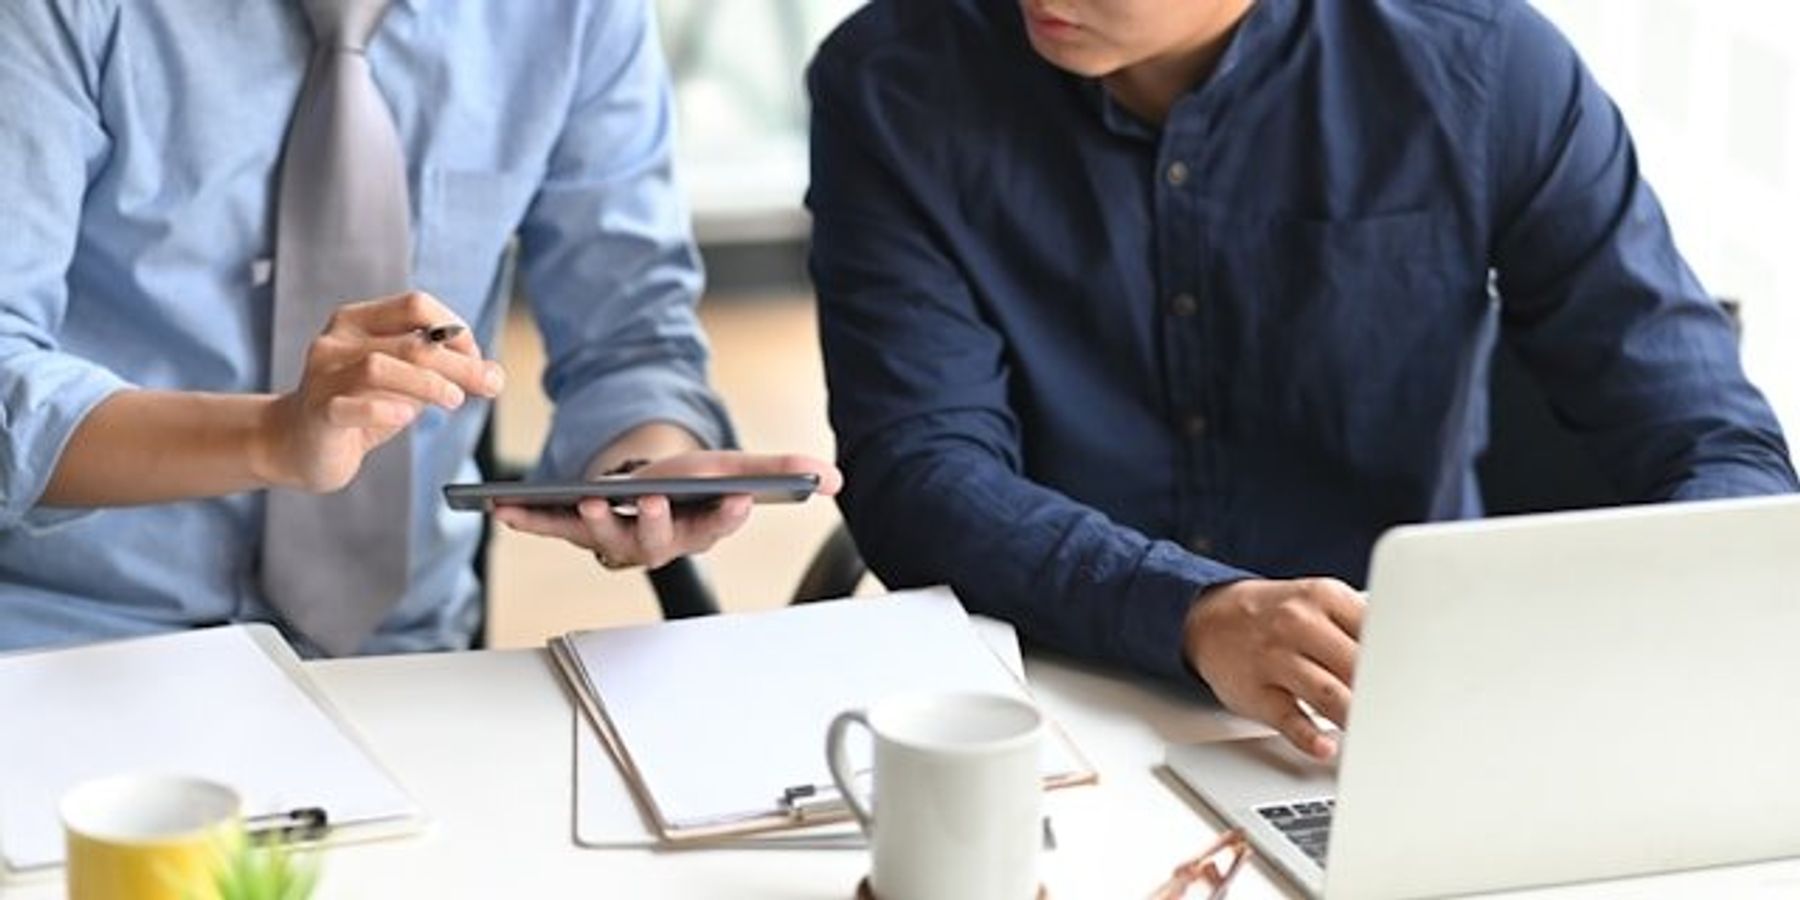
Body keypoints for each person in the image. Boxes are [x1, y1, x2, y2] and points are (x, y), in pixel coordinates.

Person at [806, 0, 1797, 760]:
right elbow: (921, 471)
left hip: (1394, 717)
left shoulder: (1480, 64)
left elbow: (1718, 447)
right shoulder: (895, 81)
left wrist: (1616, 657)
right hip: (1047, 706)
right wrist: (1189, 611)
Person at [0, 0, 837, 656]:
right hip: (78, 631)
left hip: (398, 655)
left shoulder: (577, 15)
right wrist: (270, 436)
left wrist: (643, 466)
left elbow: (630, 328)